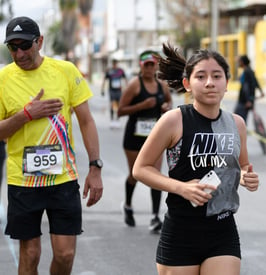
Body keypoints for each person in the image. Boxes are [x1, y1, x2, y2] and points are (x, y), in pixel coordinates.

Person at [132, 42, 260, 275]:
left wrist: (246, 177)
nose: (210, 82)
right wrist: (181, 188)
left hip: (222, 228)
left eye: (217, 76)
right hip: (182, 230)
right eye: (201, 76)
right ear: (187, 84)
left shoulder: (236, 124)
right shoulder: (174, 120)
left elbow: (241, 165)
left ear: (226, 83)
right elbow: (141, 168)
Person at [0, 16, 103, 275]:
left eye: (25, 45)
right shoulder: (3, 79)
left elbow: (87, 121)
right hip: (23, 182)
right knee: (31, 254)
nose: (20, 53)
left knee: (65, 254)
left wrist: (95, 166)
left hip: (62, 177)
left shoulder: (65, 71)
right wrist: (26, 114)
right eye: (13, 47)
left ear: (40, 42)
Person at [118, 50, 172, 232]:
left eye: (152, 65)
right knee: (135, 174)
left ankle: (155, 217)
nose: (149, 68)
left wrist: (165, 107)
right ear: (141, 66)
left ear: (156, 66)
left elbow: (169, 103)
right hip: (134, 137)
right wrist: (142, 106)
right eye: (146, 65)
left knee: (155, 175)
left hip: (155, 137)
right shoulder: (134, 85)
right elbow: (120, 110)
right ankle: (127, 205)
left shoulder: (162, 86)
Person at [234, 54, 264, 123]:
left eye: (239, 61)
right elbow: (256, 82)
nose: (238, 63)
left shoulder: (246, 72)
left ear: (242, 62)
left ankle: (240, 133)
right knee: (241, 119)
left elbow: (246, 87)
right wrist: (261, 92)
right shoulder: (250, 71)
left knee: (238, 120)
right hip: (247, 100)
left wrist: (249, 100)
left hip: (244, 101)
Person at [101, 59, 127, 127]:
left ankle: (117, 119)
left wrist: (127, 88)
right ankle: (112, 120)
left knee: (118, 105)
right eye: (114, 64)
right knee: (112, 104)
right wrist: (102, 89)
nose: (115, 65)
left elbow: (125, 79)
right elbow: (104, 80)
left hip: (119, 90)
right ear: (112, 64)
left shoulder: (120, 71)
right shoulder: (109, 71)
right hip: (112, 90)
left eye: (116, 63)